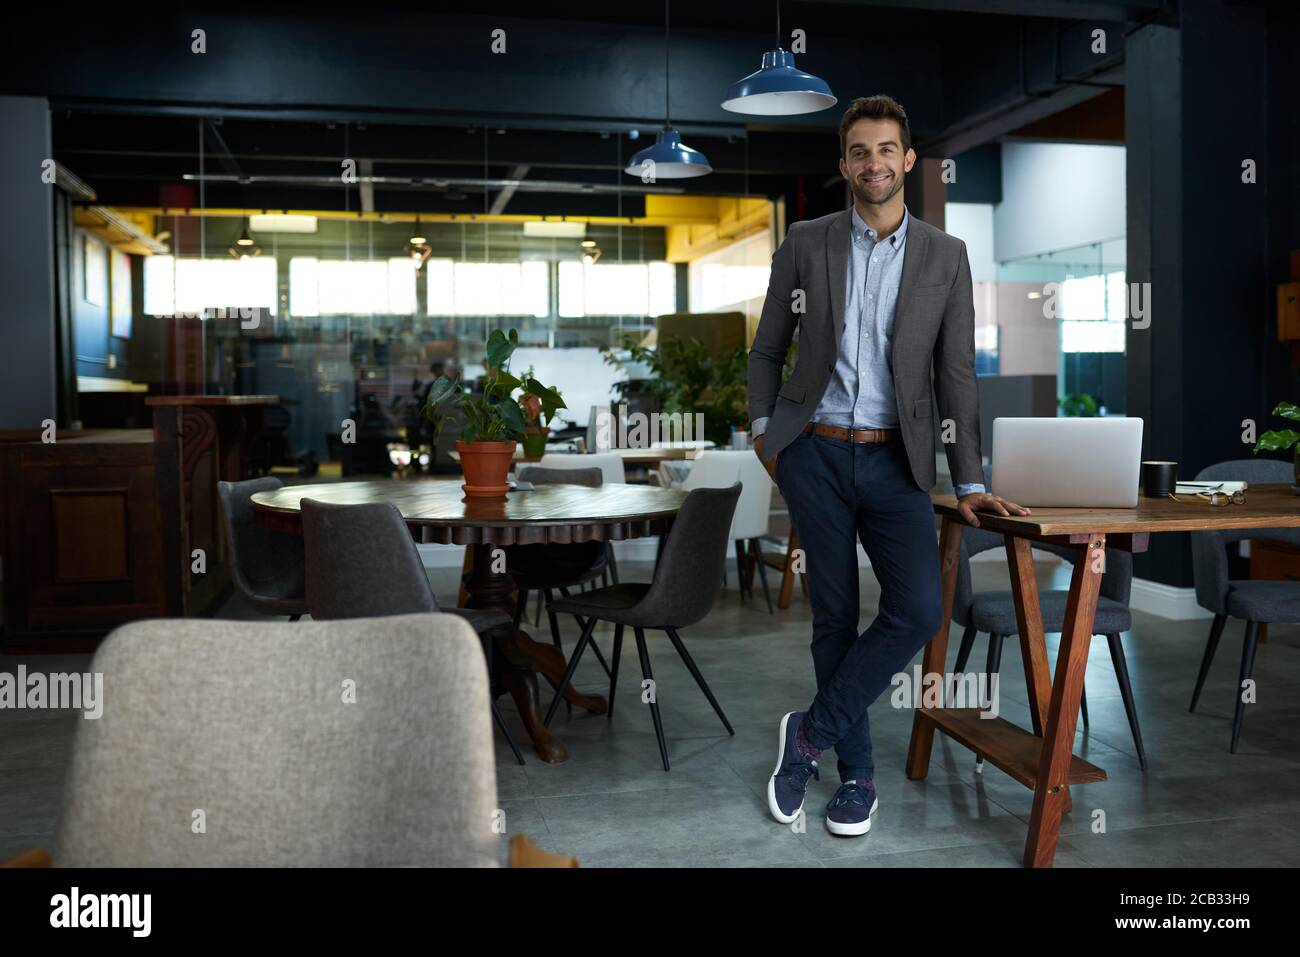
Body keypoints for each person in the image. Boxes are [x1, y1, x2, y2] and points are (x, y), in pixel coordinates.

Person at [747, 94, 1030, 837]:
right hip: (814, 452)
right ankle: (858, 776)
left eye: (887, 149)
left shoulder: (947, 254)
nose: (874, 162)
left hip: (898, 461)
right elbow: (766, 348)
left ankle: (807, 736)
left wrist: (968, 479)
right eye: (860, 151)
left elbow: (957, 373)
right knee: (835, 615)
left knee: (917, 611)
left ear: (908, 160)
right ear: (844, 164)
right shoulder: (807, 242)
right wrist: (763, 433)